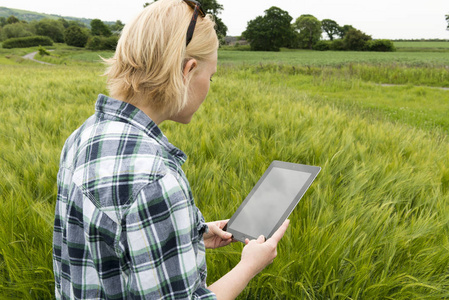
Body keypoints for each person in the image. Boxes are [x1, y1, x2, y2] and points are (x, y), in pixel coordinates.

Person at [52, 0, 289, 299]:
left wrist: (193, 232)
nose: (209, 86)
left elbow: (105, 245)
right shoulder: (155, 178)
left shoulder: (83, 134)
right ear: (188, 71)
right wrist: (249, 266)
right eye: (210, 76)